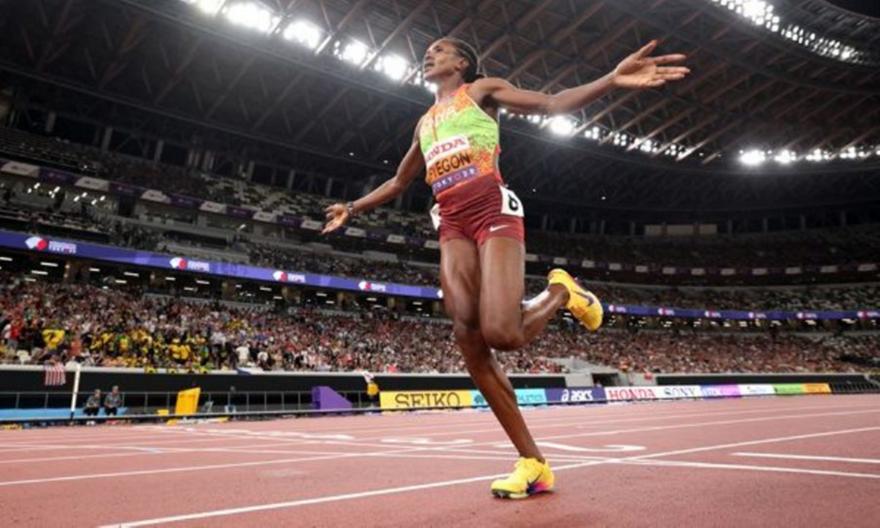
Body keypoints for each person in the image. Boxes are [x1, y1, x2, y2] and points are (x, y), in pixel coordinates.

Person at [323, 37, 689, 499]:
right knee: (466, 332)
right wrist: (352, 208)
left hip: (491, 209)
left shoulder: (480, 92)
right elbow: (400, 181)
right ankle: (533, 463)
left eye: (440, 49)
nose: (429, 54)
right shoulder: (425, 122)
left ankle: (561, 291)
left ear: (462, 62)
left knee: (503, 334)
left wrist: (612, 80)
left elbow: (552, 103)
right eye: (428, 50)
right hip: (451, 221)